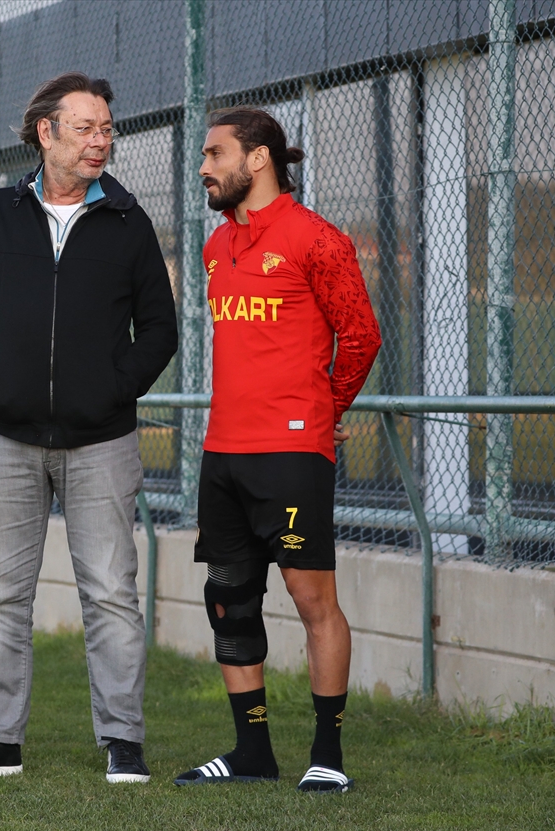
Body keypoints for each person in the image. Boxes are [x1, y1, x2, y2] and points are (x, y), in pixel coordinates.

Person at [0, 72, 178, 784]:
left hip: (103, 442)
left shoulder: (128, 223)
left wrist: (112, 390)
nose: (101, 141)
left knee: (111, 593)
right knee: (1, 593)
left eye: (107, 130)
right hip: (4, 438)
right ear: (47, 132)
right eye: (87, 128)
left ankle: (123, 740)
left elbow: (160, 329)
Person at [173, 109, 381, 793]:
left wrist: (325, 411)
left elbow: (361, 336)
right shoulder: (216, 247)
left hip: (290, 453)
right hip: (222, 451)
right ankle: (252, 754)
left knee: (310, 597)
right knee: (228, 599)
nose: (203, 168)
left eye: (215, 154)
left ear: (257, 158)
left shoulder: (318, 239)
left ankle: (328, 756)